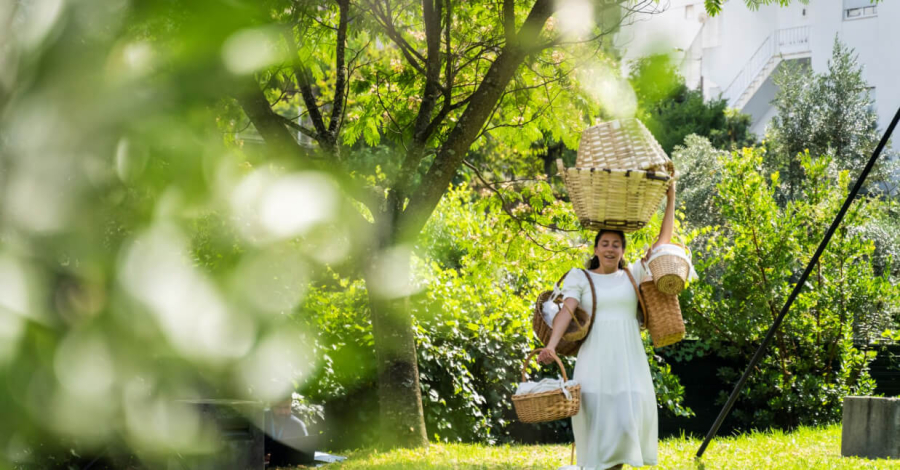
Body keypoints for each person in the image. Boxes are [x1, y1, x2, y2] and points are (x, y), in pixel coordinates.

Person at [538, 182, 677, 470]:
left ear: (623, 249)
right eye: (605, 244)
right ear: (596, 248)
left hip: (629, 359)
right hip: (595, 360)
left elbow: (664, 240)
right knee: (599, 422)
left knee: (627, 421)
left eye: (616, 244)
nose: (611, 249)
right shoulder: (581, 277)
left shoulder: (634, 274)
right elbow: (566, 312)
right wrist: (550, 346)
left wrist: (670, 196)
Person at [264, 397, 315, 467]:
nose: (283, 412)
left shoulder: (298, 426)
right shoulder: (259, 420)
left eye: (286, 407)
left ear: (291, 405)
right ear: (271, 405)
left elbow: (305, 456)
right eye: (278, 408)